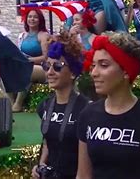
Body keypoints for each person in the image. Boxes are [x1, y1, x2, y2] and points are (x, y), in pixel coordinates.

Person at [76, 32, 140, 179]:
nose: (94, 73)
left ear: (126, 71)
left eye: (103, 65)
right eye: (93, 65)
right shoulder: (88, 115)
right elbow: (83, 175)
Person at [31, 31, 89, 179]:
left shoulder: (87, 109)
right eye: (46, 66)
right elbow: (47, 141)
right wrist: (41, 165)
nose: (49, 72)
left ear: (73, 73)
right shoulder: (45, 105)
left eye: (57, 66)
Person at [14, 9, 50, 112]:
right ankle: (11, 101)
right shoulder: (22, 36)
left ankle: (18, 103)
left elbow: (46, 57)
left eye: (35, 17)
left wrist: (29, 60)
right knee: (3, 69)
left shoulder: (43, 35)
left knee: (27, 70)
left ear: (40, 20)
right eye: (30, 17)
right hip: (25, 65)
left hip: (43, 69)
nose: (32, 19)